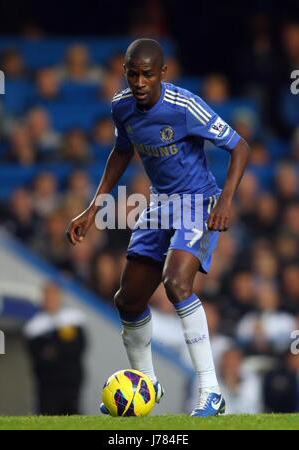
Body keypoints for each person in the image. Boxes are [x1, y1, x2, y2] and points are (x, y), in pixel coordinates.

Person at [66, 39, 250, 417]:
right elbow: (121, 152)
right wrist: (93, 207)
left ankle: (212, 392)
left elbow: (240, 146)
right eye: (132, 73)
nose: (139, 81)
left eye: (147, 74)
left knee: (176, 283)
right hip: (158, 204)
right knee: (127, 301)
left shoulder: (184, 106)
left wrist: (227, 200)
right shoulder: (121, 108)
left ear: (163, 73)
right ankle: (146, 384)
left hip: (198, 202)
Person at [24, 282, 87, 415]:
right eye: (47, 296)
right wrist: (62, 348)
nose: (51, 300)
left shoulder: (73, 318)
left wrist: (54, 350)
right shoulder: (34, 326)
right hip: (48, 384)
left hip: (71, 379)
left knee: (73, 414)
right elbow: (38, 356)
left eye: (54, 295)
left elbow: (79, 347)